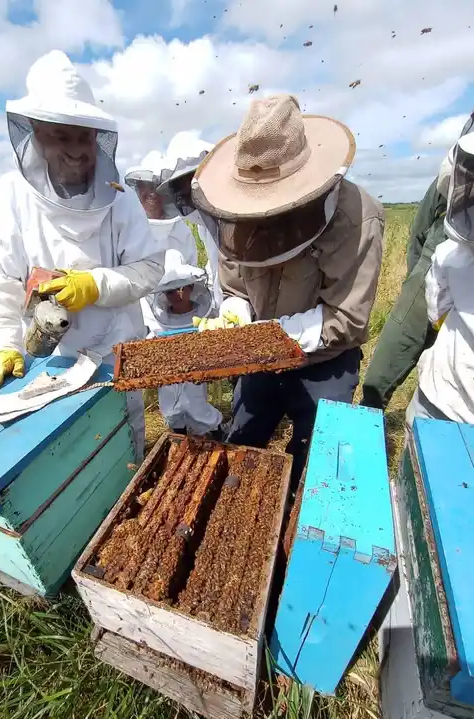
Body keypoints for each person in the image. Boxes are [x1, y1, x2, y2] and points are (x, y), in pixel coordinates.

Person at [0, 51, 164, 461]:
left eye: (84, 137)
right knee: (65, 461)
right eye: (61, 136)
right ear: (35, 133)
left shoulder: (120, 198)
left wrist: (96, 284)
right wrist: (5, 345)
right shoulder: (6, 200)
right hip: (50, 362)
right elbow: (1, 281)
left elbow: (150, 268)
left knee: (124, 452)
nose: (76, 150)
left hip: (117, 353)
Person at [191, 94, 384, 491]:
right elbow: (233, 281)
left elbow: (346, 319)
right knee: (243, 439)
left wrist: (268, 338)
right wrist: (236, 312)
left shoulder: (356, 217)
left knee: (318, 463)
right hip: (258, 358)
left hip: (324, 360)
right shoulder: (236, 213)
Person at [361, 112, 474, 410]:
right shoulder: (463, 152)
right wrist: (418, 276)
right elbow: (433, 203)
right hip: (452, 245)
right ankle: (369, 414)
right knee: (395, 349)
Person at [125, 151, 222, 437]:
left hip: (184, 311)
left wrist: (180, 286)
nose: (149, 197)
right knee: (167, 377)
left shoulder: (182, 229)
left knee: (192, 375)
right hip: (152, 312)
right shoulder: (131, 228)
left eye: (153, 191)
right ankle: (176, 423)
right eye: (143, 191)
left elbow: (190, 268)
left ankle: (205, 425)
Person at [406, 129, 474, 427]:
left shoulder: (451, 254)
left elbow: (438, 311)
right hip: (442, 393)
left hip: (440, 392)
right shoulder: (452, 254)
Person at [143, 252, 223, 436]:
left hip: (195, 367)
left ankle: (217, 434)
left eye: (181, 288)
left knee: (197, 405)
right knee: (171, 408)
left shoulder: (204, 312)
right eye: (170, 291)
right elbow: (152, 340)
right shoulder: (160, 318)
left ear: (191, 287)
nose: (177, 295)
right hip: (168, 369)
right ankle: (180, 438)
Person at [157, 133, 224, 307]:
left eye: (194, 179)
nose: (192, 192)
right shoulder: (203, 224)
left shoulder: (232, 214)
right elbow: (216, 266)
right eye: (183, 186)